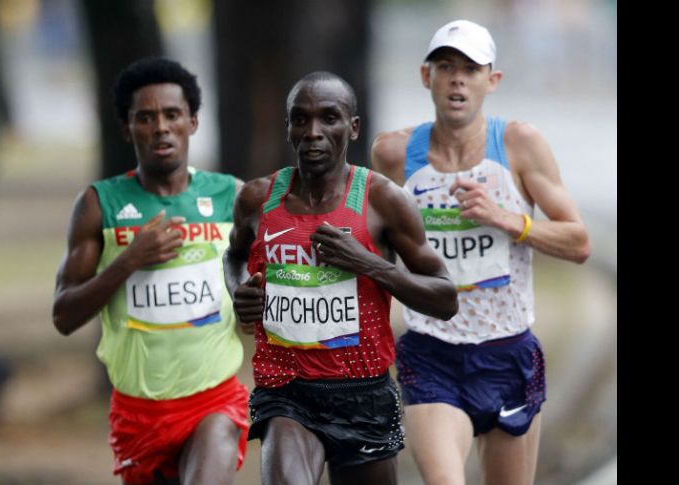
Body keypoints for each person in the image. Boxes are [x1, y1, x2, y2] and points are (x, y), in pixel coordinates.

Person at [371, 19, 591, 485]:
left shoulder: (518, 144)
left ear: (491, 81)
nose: (456, 78)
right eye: (445, 66)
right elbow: (380, 246)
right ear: (425, 76)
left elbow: (579, 241)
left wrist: (511, 220)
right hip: (431, 353)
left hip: (508, 354)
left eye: (470, 68)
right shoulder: (393, 154)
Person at [224, 71, 458, 485]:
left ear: (352, 127)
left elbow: (444, 298)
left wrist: (370, 264)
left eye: (328, 118)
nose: (313, 132)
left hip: (363, 393)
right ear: (289, 128)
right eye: (301, 119)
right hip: (285, 391)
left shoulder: (383, 200)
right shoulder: (258, 199)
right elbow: (234, 257)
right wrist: (239, 291)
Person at [52, 57, 249, 485]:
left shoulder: (229, 196)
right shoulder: (97, 205)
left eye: (172, 115)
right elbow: (64, 316)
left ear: (192, 122)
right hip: (138, 412)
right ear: (127, 129)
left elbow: (252, 271)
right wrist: (129, 261)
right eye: (146, 117)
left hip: (214, 400)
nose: (161, 127)